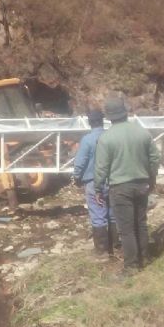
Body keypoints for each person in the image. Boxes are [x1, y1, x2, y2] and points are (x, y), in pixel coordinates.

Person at [94, 96, 160, 275]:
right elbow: (155, 158)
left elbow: (101, 168)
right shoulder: (142, 132)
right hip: (142, 184)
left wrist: (98, 189)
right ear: (125, 112)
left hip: (120, 188)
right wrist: (151, 178)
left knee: (126, 229)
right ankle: (144, 257)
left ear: (108, 116)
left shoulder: (106, 138)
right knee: (141, 223)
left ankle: (131, 266)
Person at [73, 109, 115, 257]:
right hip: (114, 180)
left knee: (98, 215)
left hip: (93, 181)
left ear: (90, 122)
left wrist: (76, 178)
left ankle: (102, 251)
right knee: (112, 214)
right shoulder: (111, 136)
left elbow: (80, 162)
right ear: (103, 121)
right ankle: (115, 246)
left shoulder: (87, 140)